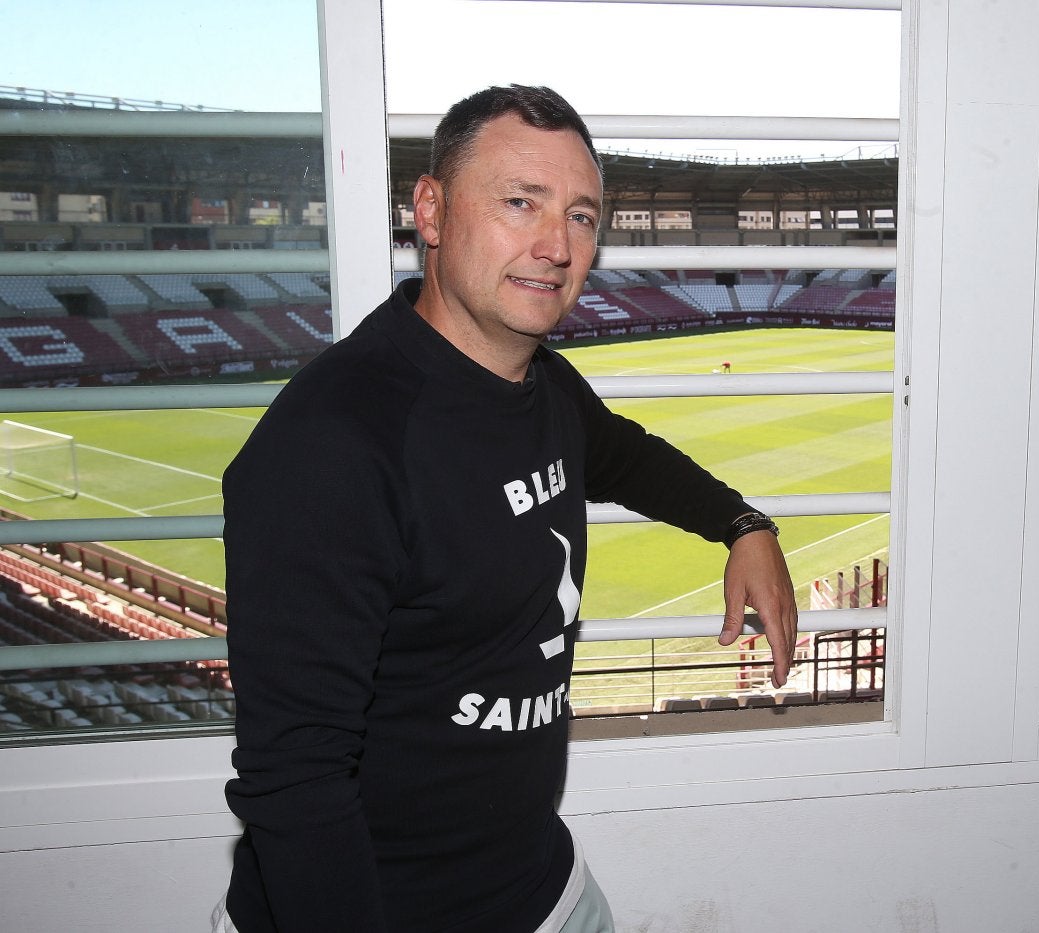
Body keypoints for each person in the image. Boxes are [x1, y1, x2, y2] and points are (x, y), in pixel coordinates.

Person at [217, 84, 797, 933]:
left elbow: (624, 454)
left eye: (581, 217)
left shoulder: (544, 385)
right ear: (432, 211)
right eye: (520, 202)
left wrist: (744, 526)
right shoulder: (331, 445)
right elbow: (295, 780)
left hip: (542, 890)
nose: (556, 245)